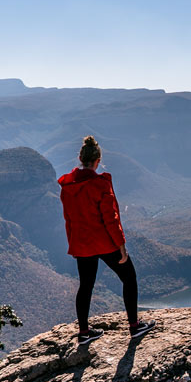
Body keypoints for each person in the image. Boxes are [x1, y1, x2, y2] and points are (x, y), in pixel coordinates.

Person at [58, 135, 155, 344]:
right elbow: (111, 219)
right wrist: (121, 246)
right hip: (104, 241)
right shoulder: (100, 185)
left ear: (80, 158)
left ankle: (83, 333)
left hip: (82, 244)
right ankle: (134, 326)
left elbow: (69, 219)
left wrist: (73, 244)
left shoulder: (67, 187)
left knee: (85, 286)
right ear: (97, 161)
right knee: (129, 277)